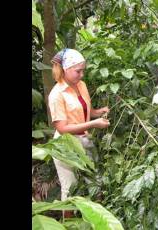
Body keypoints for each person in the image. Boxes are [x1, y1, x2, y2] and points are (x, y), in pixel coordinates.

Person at [48, 48, 110, 217]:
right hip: (65, 144)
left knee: (95, 182)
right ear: (65, 69)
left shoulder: (80, 85)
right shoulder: (56, 94)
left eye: (83, 70)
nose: (81, 75)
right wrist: (94, 123)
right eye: (78, 71)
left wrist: (99, 112)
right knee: (70, 188)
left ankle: (97, 221)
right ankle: (67, 224)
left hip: (84, 138)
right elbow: (62, 128)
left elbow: (84, 110)